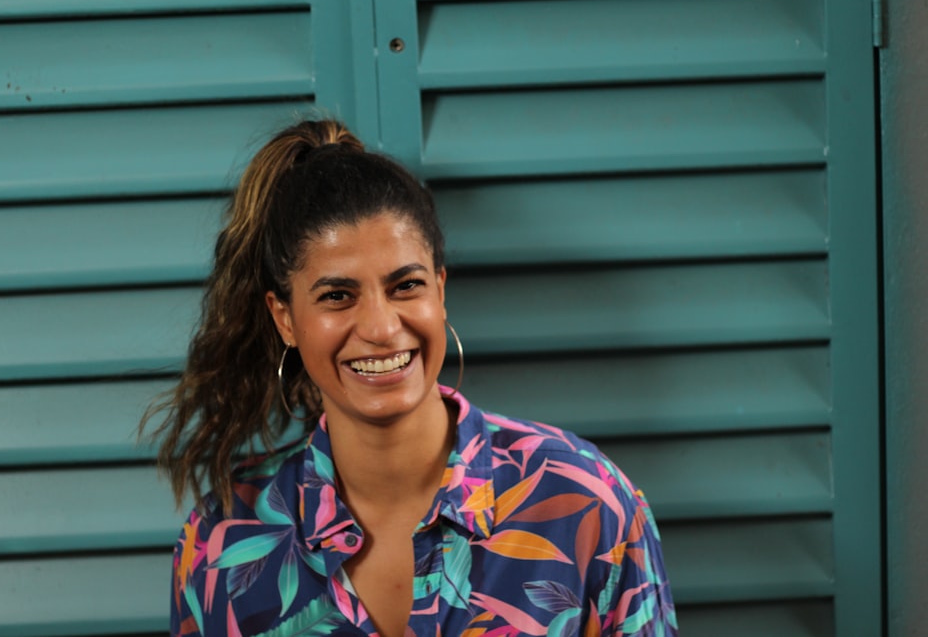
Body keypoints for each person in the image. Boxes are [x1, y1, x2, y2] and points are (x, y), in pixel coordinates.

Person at [144, 119, 678, 637]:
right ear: (285, 317)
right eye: (337, 295)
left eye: (406, 286)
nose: (380, 327)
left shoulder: (586, 505)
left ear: (439, 291)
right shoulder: (221, 542)